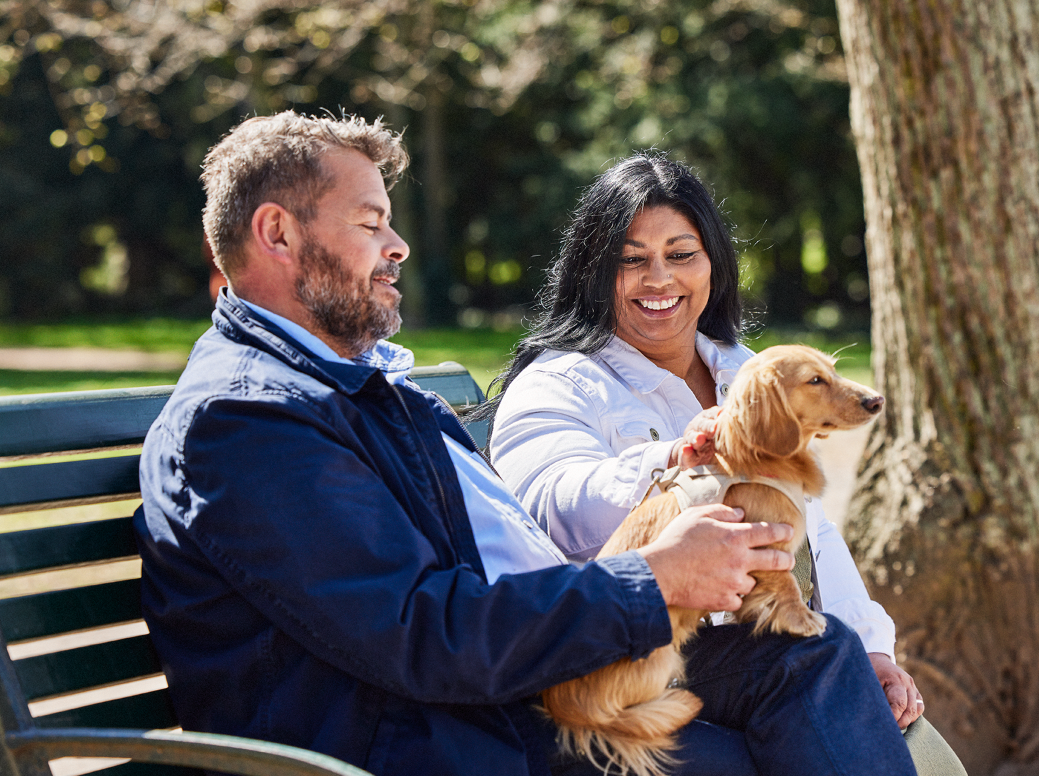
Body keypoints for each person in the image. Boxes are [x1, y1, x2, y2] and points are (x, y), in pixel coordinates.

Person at [134, 111, 918, 776]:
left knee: (806, 658)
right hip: (435, 735)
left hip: (520, 683)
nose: (398, 244)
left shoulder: (353, 387)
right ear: (277, 232)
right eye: (371, 223)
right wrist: (653, 579)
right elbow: (420, 634)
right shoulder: (250, 420)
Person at [484, 153, 965, 774]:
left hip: (735, 649)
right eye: (631, 260)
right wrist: (670, 458)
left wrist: (872, 649)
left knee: (828, 657)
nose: (659, 278)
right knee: (805, 664)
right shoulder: (558, 383)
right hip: (627, 648)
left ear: (714, 263)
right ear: (594, 272)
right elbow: (550, 508)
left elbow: (808, 527)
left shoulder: (750, 371)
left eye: (681, 255)